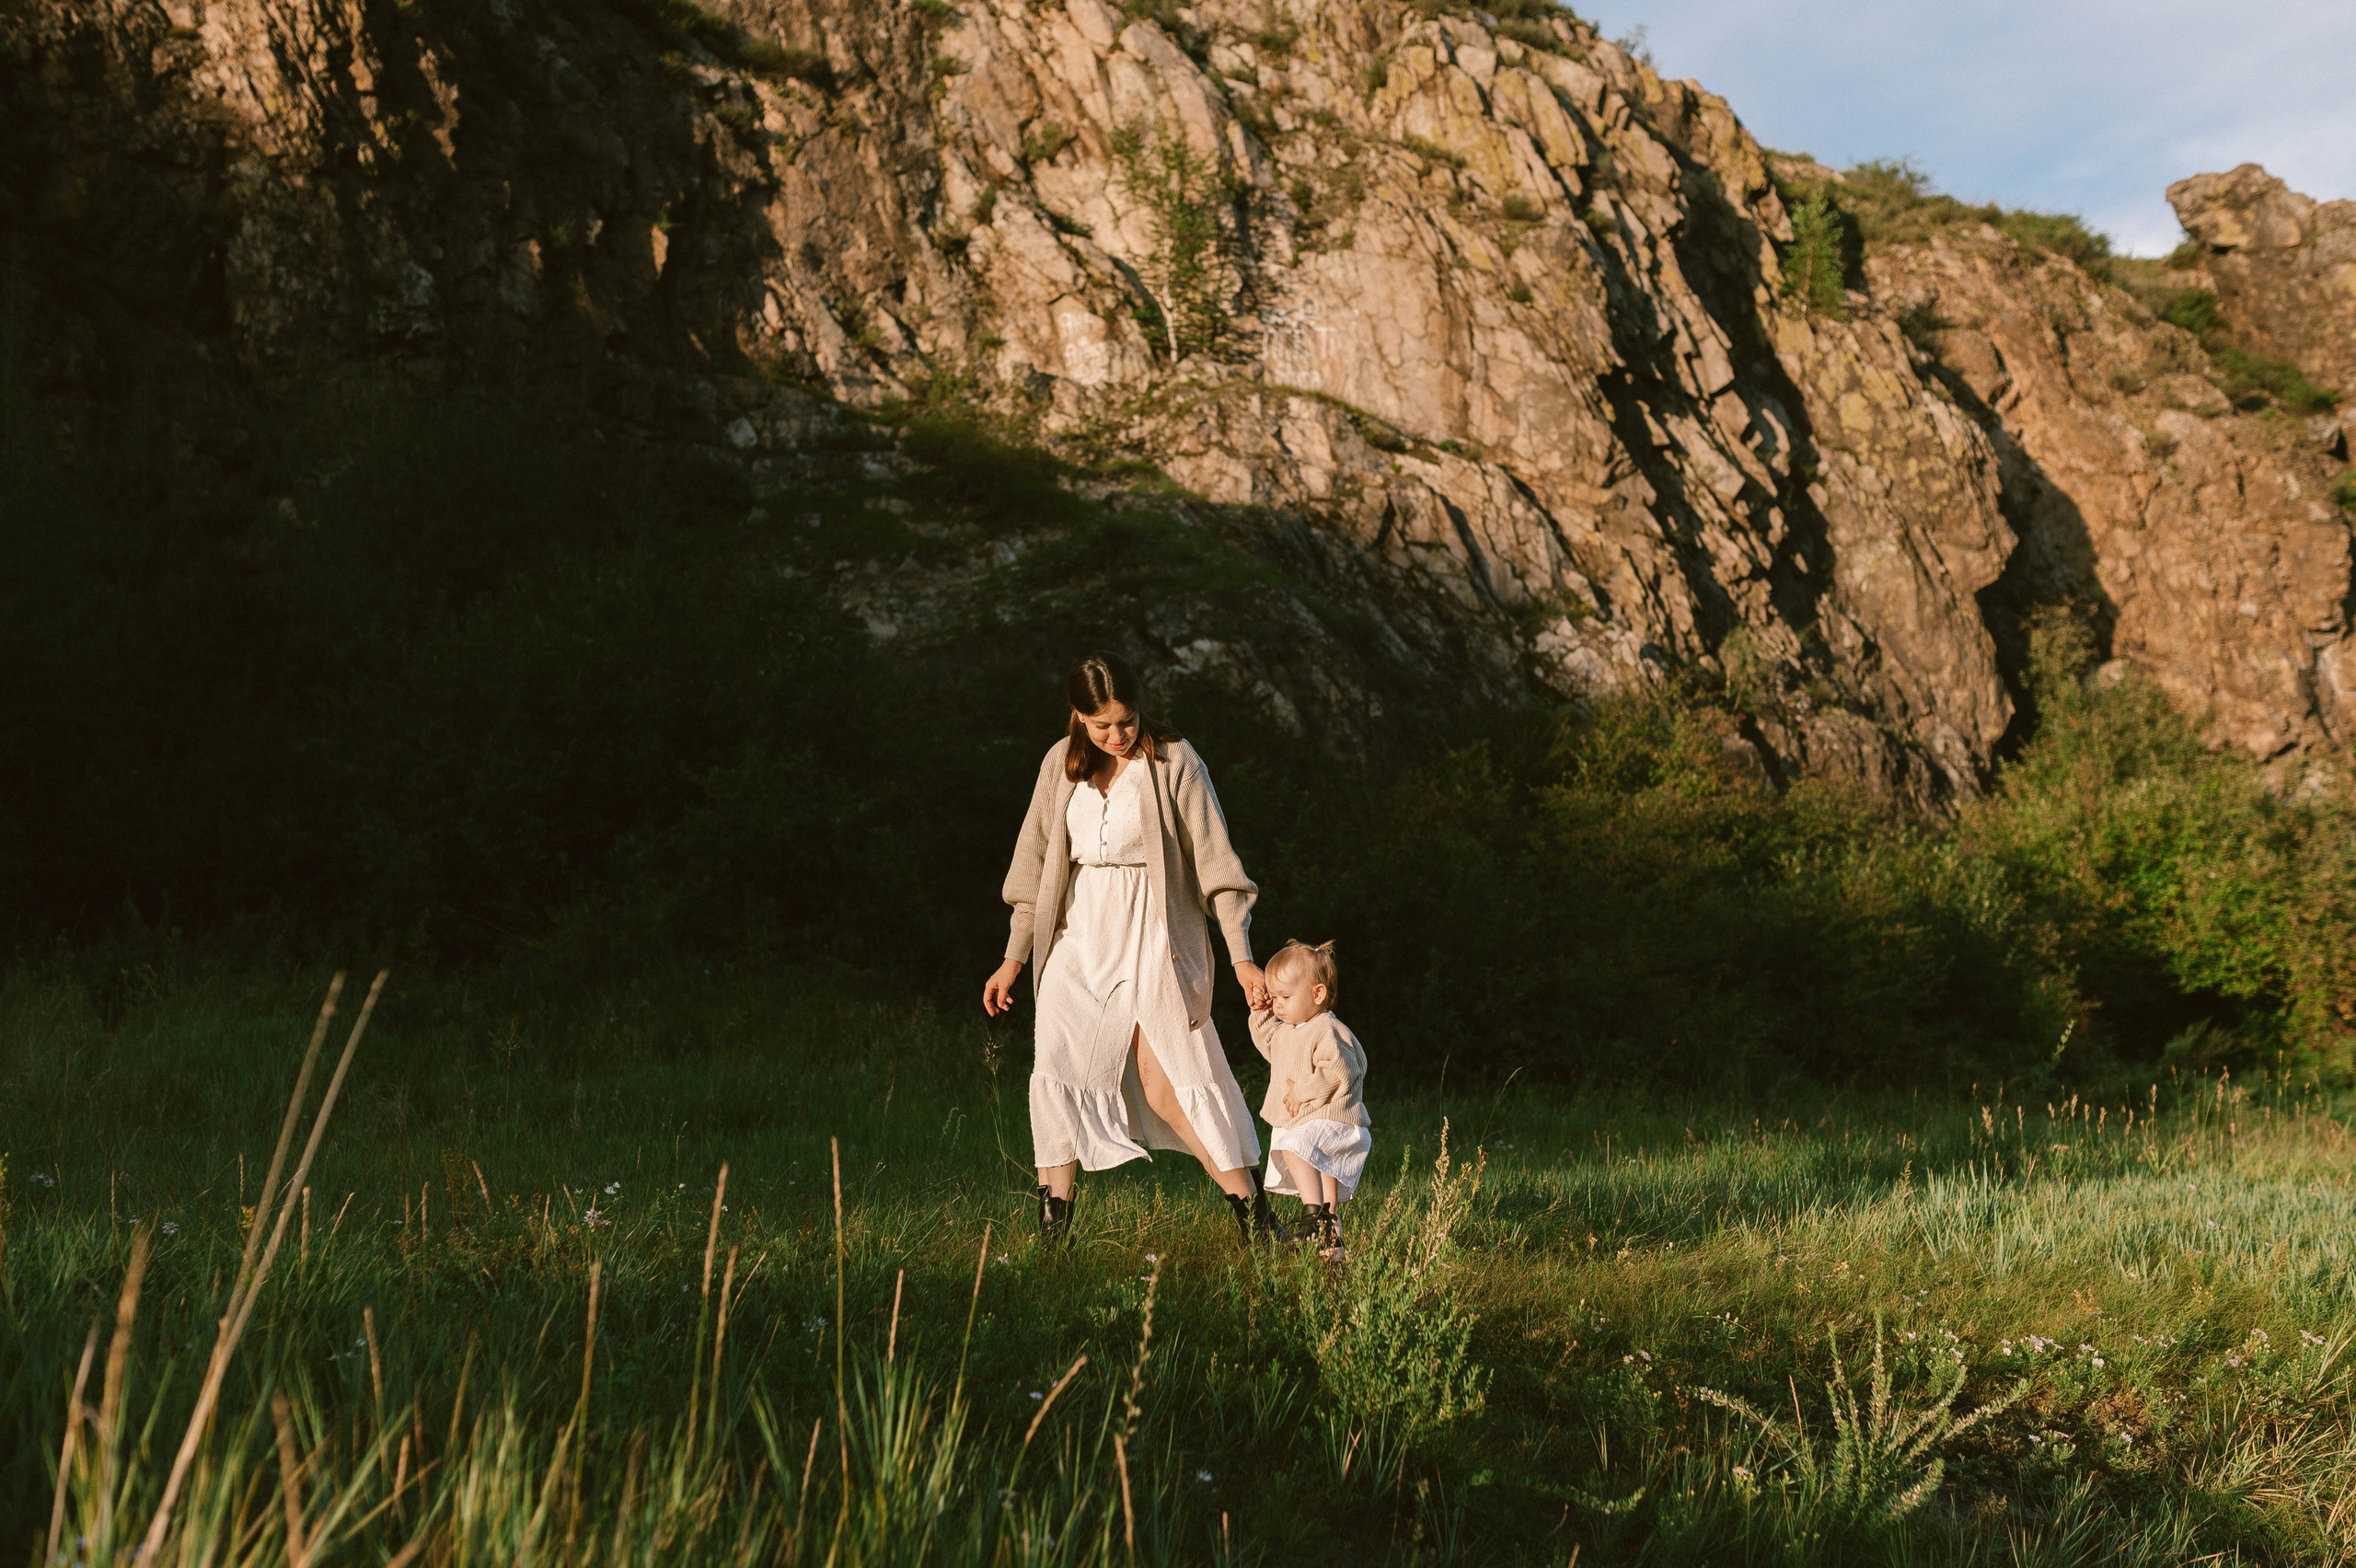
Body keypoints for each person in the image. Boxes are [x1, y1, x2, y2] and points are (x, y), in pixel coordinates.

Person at [983, 651, 1289, 1251]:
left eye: (1127, 720)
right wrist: (1013, 957)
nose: (1118, 735)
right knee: (1057, 1074)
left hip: (1155, 937)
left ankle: (1256, 1221)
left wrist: (1241, 956)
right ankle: (1053, 1237)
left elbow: (1218, 867)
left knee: (1169, 1084)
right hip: (1078, 939)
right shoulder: (1060, 763)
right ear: (1079, 716)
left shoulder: (1175, 762)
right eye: (1103, 725)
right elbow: (1033, 865)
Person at [1247, 940, 1370, 1262]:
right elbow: (1268, 1042)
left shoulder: (1327, 1029)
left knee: (1293, 1148)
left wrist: (1301, 1090)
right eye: (1274, 998)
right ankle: (1333, 1250)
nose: (1278, 1005)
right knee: (1328, 1192)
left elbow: (1342, 1070)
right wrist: (1260, 1011)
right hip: (1313, 1122)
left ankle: (1311, 1215)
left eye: (1285, 998)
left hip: (1335, 1121)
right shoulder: (1289, 1031)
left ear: (1317, 994)